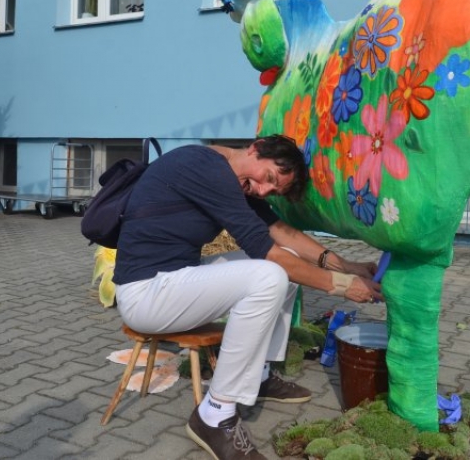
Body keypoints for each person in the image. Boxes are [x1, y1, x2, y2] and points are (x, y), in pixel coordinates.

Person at [112, 134, 382, 460]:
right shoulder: (205, 167)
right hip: (147, 295)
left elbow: (282, 233)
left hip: (174, 281)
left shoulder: (232, 177)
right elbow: (268, 253)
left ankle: (259, 377)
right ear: (254, 150)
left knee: (288, 263)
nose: (263, 190)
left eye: (273, 190)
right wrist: (341, 285)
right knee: (270, 274)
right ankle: (215, 414)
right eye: (268, 178)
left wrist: (347, 264)